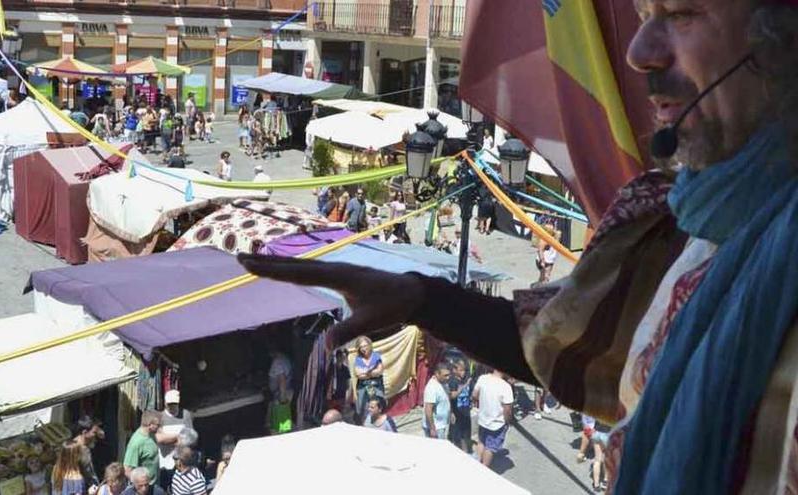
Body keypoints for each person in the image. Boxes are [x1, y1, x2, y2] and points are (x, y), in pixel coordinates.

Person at [237, 0, 798, 488]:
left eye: (681, 14)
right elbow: (569, 348)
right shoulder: (683, 226)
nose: (638, 51)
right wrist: (421, 300)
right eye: (645, 15)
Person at [472, 369, 514, 468]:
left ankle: (476, 464)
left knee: (481, 442)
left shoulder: (483, 378)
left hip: (483, 419)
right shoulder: (506, 387)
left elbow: (474, 395)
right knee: (490, 448)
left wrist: (481, 403)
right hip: (497, 423)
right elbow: (507, 410)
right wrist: (508, 422)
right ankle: (484, 469)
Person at [157, 390, 194, 493]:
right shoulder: (160, 417)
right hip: (165, 462)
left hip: (181, 461)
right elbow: (160, 439)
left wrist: (169, 438)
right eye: (170, 404)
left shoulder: (185, 415)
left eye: (174, 404)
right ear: (165, 403)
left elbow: (190, 437)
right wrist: (178, 438)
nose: (172, 406)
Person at [123, 410, 161, 485]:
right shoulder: (136, 443)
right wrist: (142, 486)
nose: (160, 427)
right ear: (150, 425)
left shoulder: (151, 435)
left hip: (155, 485)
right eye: (158, 425)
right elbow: (127, 470)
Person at [353, 336, 384, 422]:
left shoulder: (376, 356)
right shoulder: (358, 359)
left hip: (376, 386)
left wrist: (366, 373)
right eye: (361, 347)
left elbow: (380, 371)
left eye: (365, 345)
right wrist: (372, 373)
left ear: (369, 345)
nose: (363, 348)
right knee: (362, 409)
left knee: (376, 406)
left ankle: (376, 423)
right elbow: (358, 375)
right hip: (363, 388)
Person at [72, 416, 105, 489]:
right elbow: (90, 476)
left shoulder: (73, 443)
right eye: (93, 433)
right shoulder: (82, 450)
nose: (95, 436)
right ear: (85, 432)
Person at [448, 359, 473, 453]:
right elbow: (451, 396)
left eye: (464, 370)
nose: (463, 373)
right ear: (455, 370)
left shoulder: (466, 379)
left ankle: (466, 451)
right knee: (457, 436)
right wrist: (451, 413)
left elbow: (470, 394)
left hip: (465, 412)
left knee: (466, 435)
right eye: (461, 370)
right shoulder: (452, 382)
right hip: (456, 413)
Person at [422, 362, 452, 440]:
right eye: (445, 375)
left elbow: (446, 399)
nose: (448, 377)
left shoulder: (443, 383)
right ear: (437, 374)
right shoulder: (432, 387)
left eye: (449, 375)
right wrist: (432, 428)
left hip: (441, 425)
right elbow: (428, 409)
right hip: (436, 427)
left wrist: (451, 413)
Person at [267, 347, 294, 434]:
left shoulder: (277, 362)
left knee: (278, 425)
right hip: (287, 393)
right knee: (284, 424)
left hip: (280, 397)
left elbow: (282, 380)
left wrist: (282, 399)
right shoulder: (285, 359)